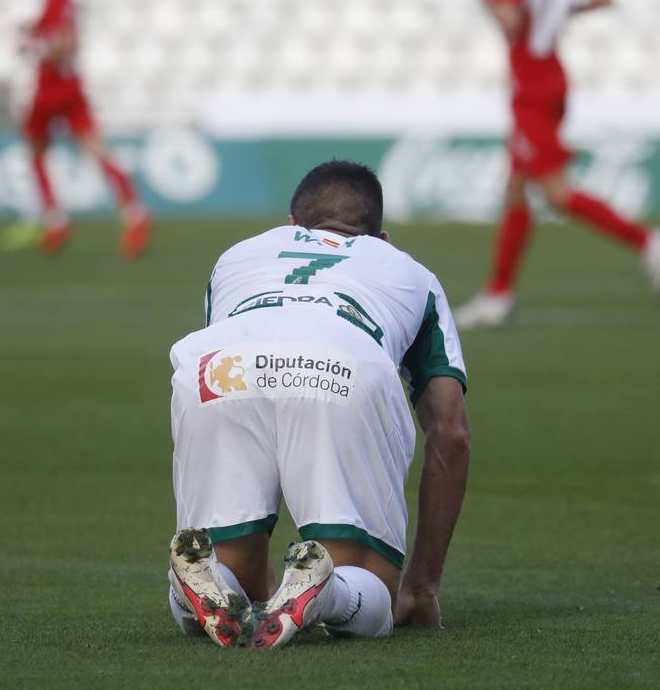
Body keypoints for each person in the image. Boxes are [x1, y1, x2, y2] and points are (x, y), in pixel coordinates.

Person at [165, 161, 471, 649]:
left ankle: (195, 585)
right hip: (343, 361)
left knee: (232, 576)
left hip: (217, 364)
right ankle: (324, 593)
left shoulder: (237, 256)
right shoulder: (411, 272)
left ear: (290, 227)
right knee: (365, 586)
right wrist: (421, 583)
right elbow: (450, 432)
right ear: (381, 239)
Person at [455, 0, 660, 329]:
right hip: (554, 77)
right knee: (517, 189)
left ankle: (650, 242)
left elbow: (511, 21)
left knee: (554, 192)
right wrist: (556, 14)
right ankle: (498, 295)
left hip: (530, 86)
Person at [2, 0, 150, 258]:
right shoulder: (60, 2)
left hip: (54, 88)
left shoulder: (59, 1)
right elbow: (61, 37)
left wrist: (31, 45)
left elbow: (64, 45)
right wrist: (33, 32)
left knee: (41, 150)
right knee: (89, 150)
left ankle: (56, 220)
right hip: (67, 87)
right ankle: (133, 213)